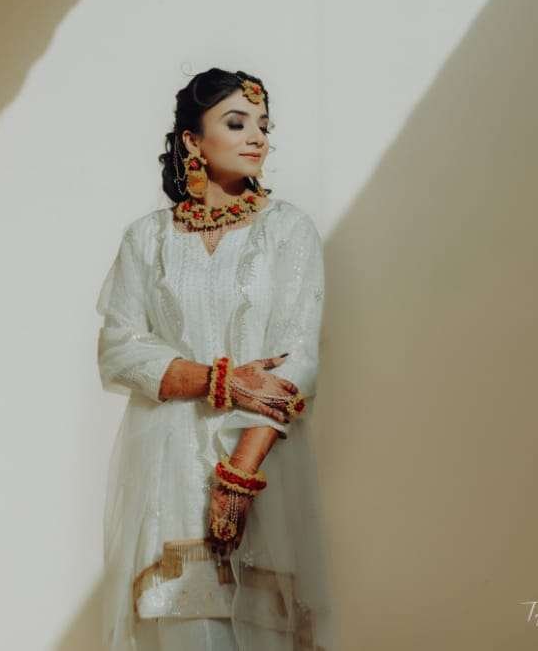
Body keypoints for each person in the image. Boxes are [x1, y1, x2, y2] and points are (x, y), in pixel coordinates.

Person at [95, 69, 336, 651]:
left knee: (269, 628)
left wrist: (239, 478)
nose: (257, 137)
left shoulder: (287, 231)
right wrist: (220, 380)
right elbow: (119, 349)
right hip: (168, 463)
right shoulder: (147, 239)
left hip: (262, 462)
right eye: (236, 123)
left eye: (263, 126)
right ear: (193, 141)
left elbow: (297, 360)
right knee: (185, 626)